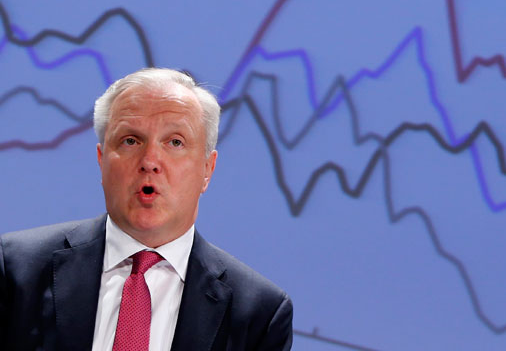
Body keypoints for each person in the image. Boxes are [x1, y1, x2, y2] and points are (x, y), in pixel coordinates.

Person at [0, 68, 292, 350]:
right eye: (130, 141)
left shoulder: (259, 313)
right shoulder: (15, 270)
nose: (150, 160)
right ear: (102, 160)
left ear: (207, 169)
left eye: (175, 142)